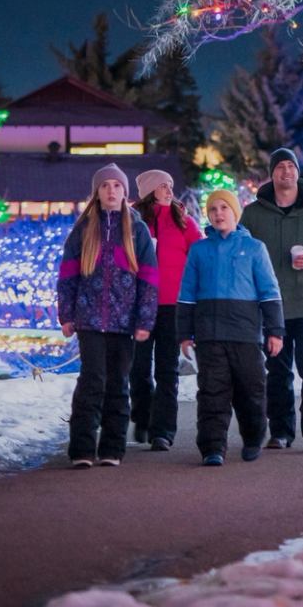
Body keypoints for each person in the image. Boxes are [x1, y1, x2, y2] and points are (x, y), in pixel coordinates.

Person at [240, 147, 303, 451]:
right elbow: (241, 252)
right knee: (277, 371)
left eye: (291, 167)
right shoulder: (254, 213)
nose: (286, 172)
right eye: (280, 167)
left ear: (298, 172)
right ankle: (281, 431)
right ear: (271, 174)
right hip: (271, 305)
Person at [56, 164, 159, 468]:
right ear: (97, 193)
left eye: (117, 185)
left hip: (124, 322)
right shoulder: (84, 229)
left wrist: (144, 320)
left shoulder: (137, 230)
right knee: (92, 381)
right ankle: (82, 448)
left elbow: (149, 279)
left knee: (117, 383)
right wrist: (67, 314)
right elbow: (68, 276)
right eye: (105, 186)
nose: (111, 190)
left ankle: (112, 447)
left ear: (125, 192)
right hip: (89, 320)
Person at [178, 188, 284, 465]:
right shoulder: (199, 250)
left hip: (245, 333)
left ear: (235, 212)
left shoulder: (254, 249)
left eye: (224, 208)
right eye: (213, 209)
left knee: (251, 390)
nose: (218, 214)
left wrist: (275, 331)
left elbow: (270, 292)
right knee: (212, 392)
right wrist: (184, 334)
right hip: (209, 333)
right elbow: (187, 294)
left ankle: (252, 438)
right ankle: (213, 447)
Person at [130, 168, 202, 451]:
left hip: (174, 306)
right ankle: (144, 418)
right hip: (140, 307)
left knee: (167, 370)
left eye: (170, 185)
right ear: (149, 191)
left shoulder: (183, 221)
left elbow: (199, 258)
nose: (169, 190)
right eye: (162, 185)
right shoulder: (134, 222)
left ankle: (163, 431)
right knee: (137, 369)